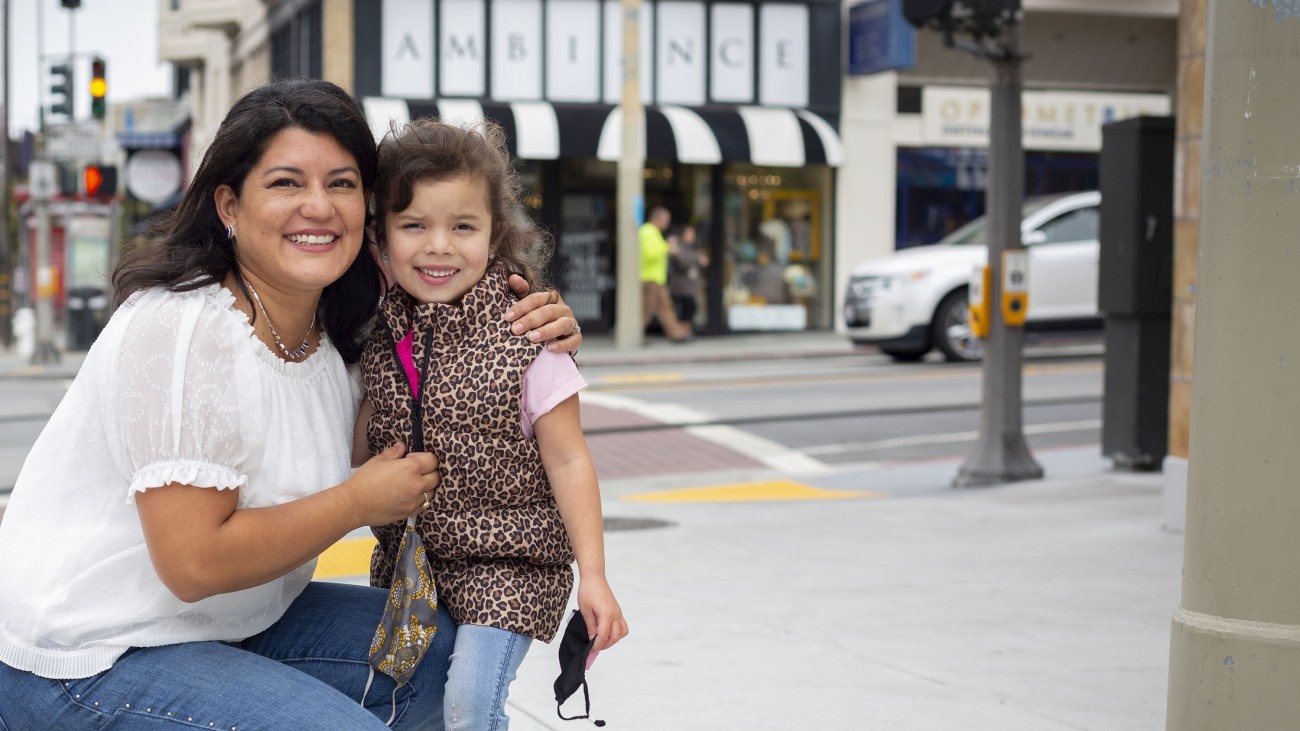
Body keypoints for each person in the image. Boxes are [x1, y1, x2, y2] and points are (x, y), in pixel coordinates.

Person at [0, 78, 582, 730]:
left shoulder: (347, 325)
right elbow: (193, 562)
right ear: (229, 204)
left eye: (340, 184)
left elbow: (456, 276)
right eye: (285, 184)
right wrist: (360, 500)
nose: (318, 206)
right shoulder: (184, 329)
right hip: (83, 652)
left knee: (436, 652)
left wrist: (532, 323)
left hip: (226, 622)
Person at [354, 118, 628, 731]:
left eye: (463, 227)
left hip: (511, 565)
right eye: (414, 225)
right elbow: (355, 455)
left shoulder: (530, 336)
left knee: (471, 704)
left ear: (495, 235)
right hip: (416, 565)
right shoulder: (379, 336)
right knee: (404, 708)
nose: (439, 246)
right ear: (381, 237)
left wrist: (596, 578)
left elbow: (569, 459)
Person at [639, 206, 693, 342]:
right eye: (666, 220)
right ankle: (637, 335)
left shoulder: (654, 232)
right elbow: (649, 254)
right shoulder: (647, 232)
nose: (667, 223)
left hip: (656, 277)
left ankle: (677, 334)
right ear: (658, 218)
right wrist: (667, 246)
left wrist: (666, 247)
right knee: (650, 308)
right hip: (650, 277)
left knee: (663, 307)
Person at [668, 223, 708, 327]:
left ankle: (685, 329)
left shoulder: (692, 248)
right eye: (689, 233)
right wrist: (697, 259)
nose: (692, 235)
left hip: (690, 285)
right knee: (688, 307)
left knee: (691, 308)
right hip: (681, 286)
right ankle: (683, 330)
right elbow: (681, 262)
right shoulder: (677, 247)